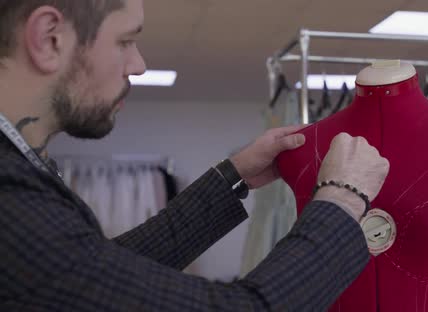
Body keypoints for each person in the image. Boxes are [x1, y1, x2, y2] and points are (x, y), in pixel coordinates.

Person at [0, 1, 390, 311]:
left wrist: (233, 177)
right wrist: (341, 198)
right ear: (49, 38)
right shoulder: (11, 197)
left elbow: (101, 270)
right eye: (125, 41)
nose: (138, 65)